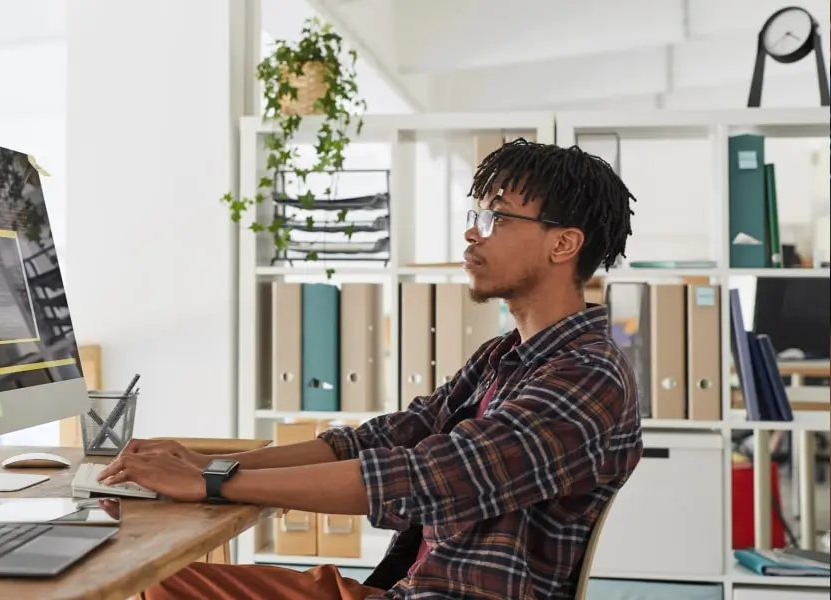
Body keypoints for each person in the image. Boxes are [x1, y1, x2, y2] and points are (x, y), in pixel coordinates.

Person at [99, 138, 644, 600]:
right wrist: (211, 464)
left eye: (495, 217)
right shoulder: (503, 357)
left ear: (564, 243)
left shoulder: (588, 376)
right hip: (404, 588)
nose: (472, 233)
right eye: (475, 215)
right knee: (157, 580)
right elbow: (378, 441)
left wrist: (213, 483)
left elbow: (426, 478)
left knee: (146, 584)